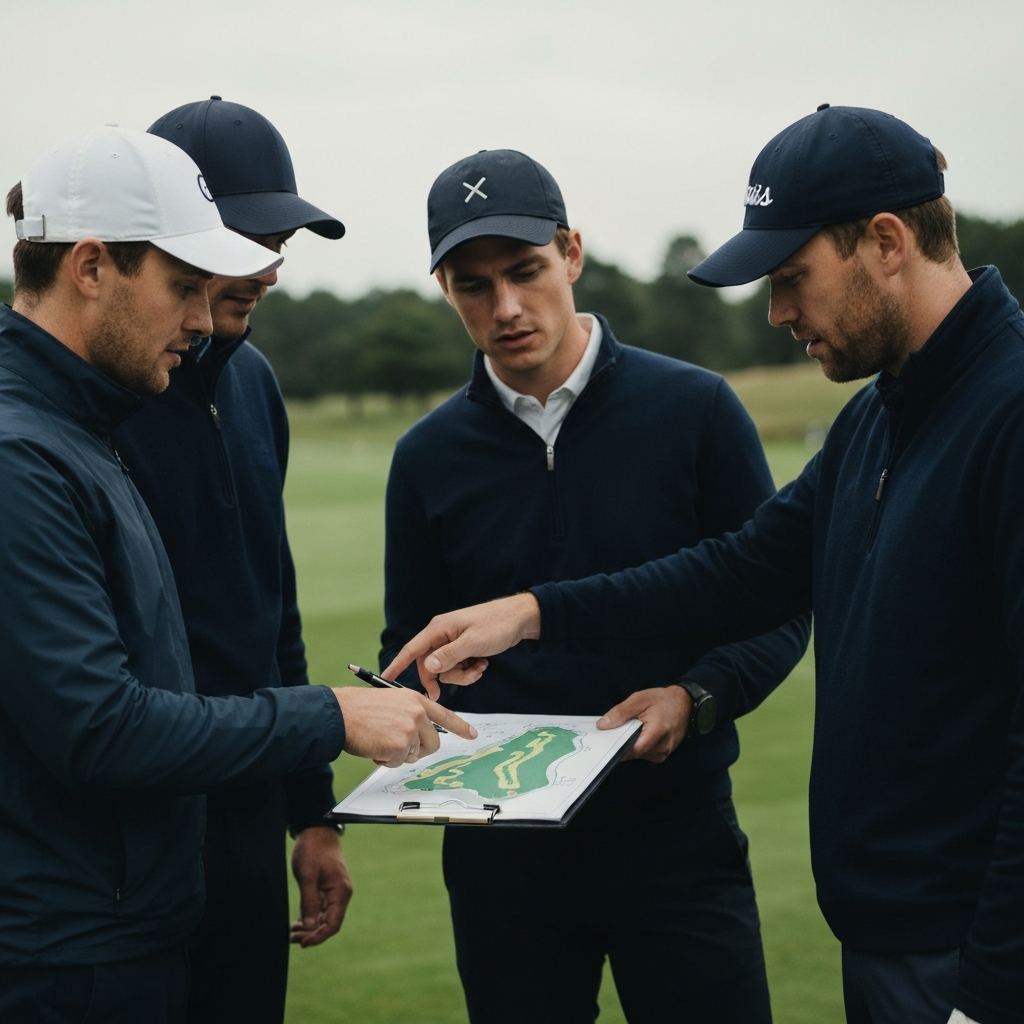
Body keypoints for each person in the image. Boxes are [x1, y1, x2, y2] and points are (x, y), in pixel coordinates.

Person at [385, 107, 1024, 1024]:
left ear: (886, 241)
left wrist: (994, 992)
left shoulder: (1005, 409)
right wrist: (532, 611)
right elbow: (740, 570)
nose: (777, 312)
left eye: (791, 277)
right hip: (890, 931)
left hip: (964, 957)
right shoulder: (881, 416)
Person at [0, 124, 473, 1024]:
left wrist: (307, 808)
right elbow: (97, 729)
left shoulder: (82, 423)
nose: (201, 315)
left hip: (133, 907)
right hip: (67, 947)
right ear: (91, 267)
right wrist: (330, 715)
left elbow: (265, 603)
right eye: (183, 286)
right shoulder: (24, 455)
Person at [380, 148, 811, 1024]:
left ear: (571, 253)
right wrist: (407, 706)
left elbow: (777, 603)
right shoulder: (424, 457)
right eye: (472, 285)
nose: (504, 308)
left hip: (673, 830)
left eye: (526, 271)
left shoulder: (695, 410)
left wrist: (696, 697)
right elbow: (410, 649)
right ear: (444, 289)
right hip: (500, 851)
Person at [110, 96, 345, 1024]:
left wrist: (312, 813)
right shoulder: (110, 393)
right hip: (130, 827)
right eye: (245, 237)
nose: (270, 267)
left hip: (248, 817)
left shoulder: (256, 384)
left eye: (279, 238)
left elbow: (269, 605)